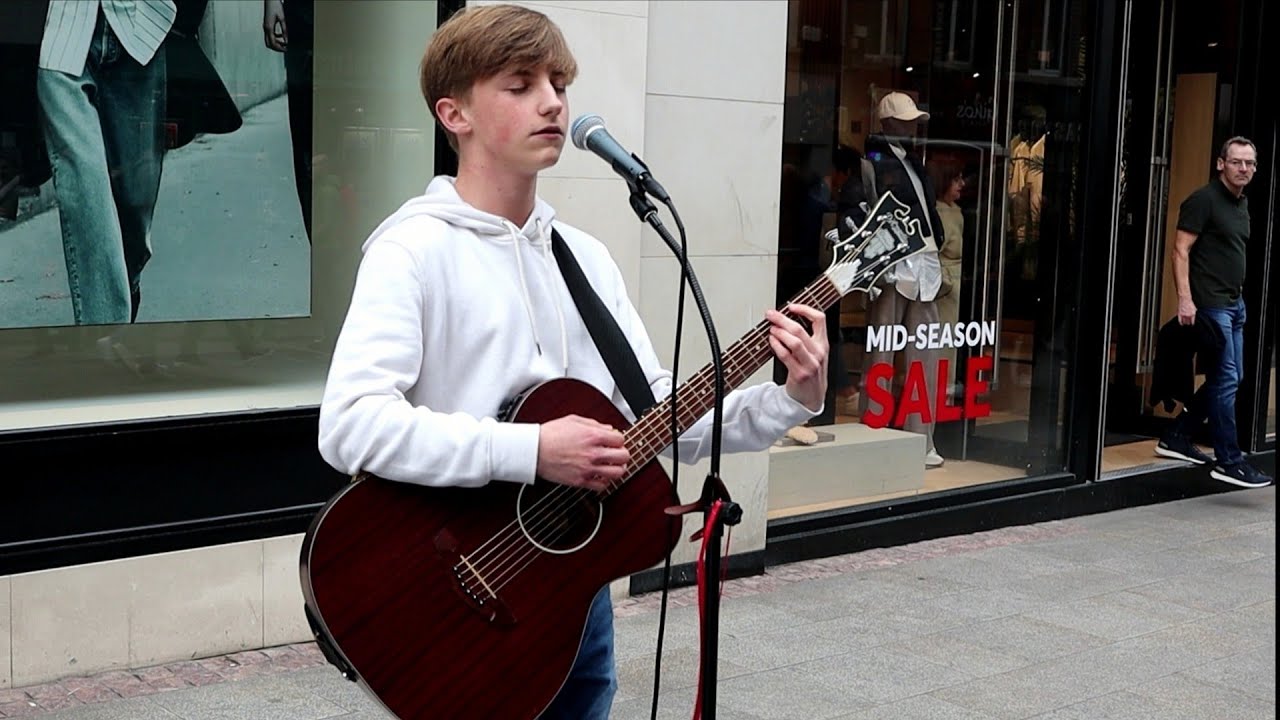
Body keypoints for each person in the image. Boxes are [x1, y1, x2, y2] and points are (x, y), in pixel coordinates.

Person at [315, 5, 830, 718]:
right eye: (520, 83)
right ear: (454, 112)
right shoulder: (412, 251)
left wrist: (789, 398)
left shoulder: (582, 259)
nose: (553, 101)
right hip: (458, 580)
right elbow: (351, 426)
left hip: (571, 591)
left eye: (559, 81)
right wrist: (532, 449)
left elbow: (658, 417)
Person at [36, 0, 175, 325]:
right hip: (60, 35)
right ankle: (104, 351)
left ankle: (126, 295)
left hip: (140, 28)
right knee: (89, 196)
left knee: (134, 215)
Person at [1155, 136, 1271, 488]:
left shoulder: (1241, 203)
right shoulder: (1203, 200)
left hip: (1235, 304)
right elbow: (1180, 251)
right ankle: (1229, 461)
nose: (1244, 169)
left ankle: (1177, 436)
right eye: (1237, 162)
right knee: (1225, 381)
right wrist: (1185, 300)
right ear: (1221, 164)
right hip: (1211, 306)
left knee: (1230, 380)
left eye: (1249, 163)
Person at [841, 91, 946, 468]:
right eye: (904, 122)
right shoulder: (870, 165)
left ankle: (922, 439)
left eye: (912, 122)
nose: (911, 127)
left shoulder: (915, 164)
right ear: (887, 123)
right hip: (893, 267)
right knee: (881, 352)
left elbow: (928, 211)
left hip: (925, 267)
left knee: (925, 357)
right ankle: (872, 432)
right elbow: (854, 214)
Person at [930, 160, 966, 394]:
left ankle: (945, 383)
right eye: (956, 179)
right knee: (943, 337)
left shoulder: (955, 211)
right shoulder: (939, 213)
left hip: (953, 283)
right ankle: (940, 385)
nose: (962, 184)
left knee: (949, 337)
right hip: (945, 284)